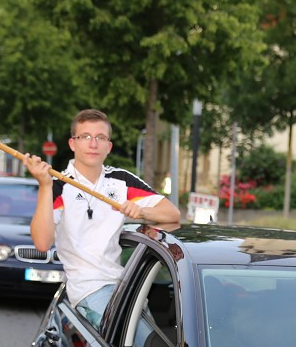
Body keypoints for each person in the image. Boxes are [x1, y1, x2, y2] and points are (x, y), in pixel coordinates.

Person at [21, 109, 180, 328]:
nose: (93, 144)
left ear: (109, 146)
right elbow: (41, 242)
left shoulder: (121, 181)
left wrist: (141, 212)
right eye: (85, 136)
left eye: (100, 138)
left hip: (124, 285)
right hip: (89, 289)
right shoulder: (58, 186)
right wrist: (45, 185)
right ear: (72, 144)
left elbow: (173, 215)